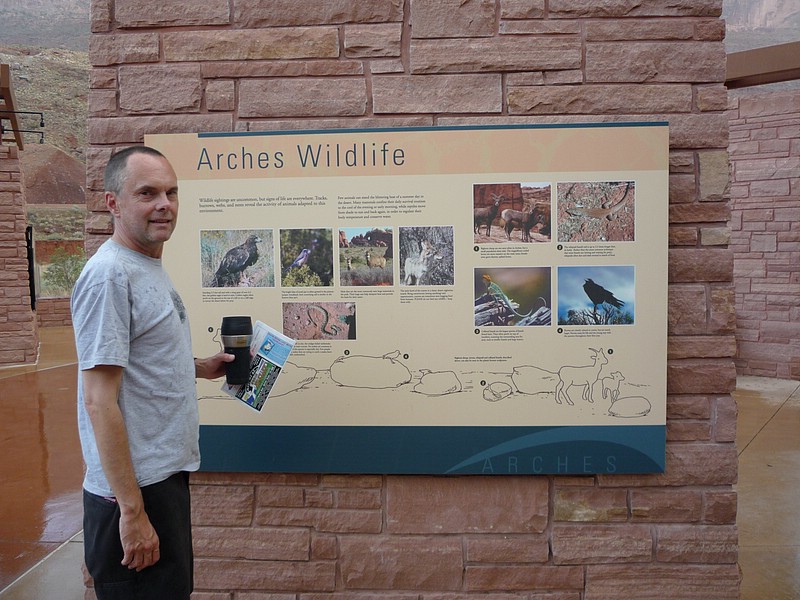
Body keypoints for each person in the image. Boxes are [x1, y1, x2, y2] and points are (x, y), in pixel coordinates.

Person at [71, 145, 233, 599]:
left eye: (171, 192)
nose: (164, 204)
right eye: (147, 193)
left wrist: (199, 368)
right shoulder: (110, 276)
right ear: (113, 203)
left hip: (160, 481)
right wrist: (132, 512)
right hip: (133, 492)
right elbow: (98, 401)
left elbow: (136, 363)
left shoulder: (145, 265)